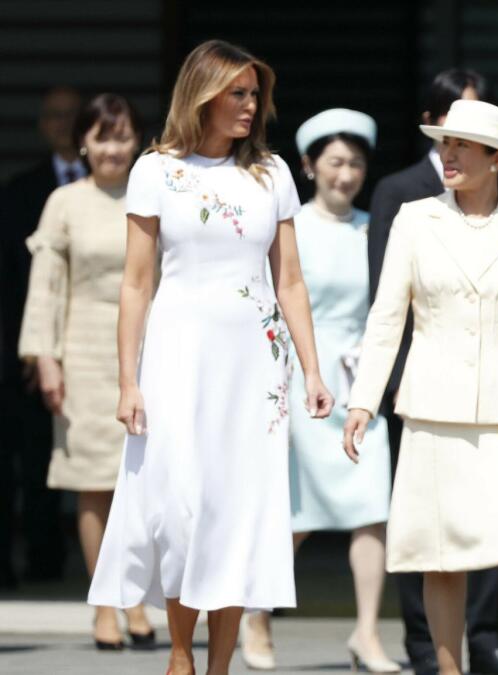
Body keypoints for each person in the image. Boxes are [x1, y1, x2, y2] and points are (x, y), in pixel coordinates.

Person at [87, 40, 334, 675]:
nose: (252, 106)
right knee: (178, 509)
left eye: (256, 95)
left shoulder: (272, 174)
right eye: (238, 94)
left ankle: (217, 665)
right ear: (203, 95)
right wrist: (126, 381)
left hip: (255, 365)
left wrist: (311, 369)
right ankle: (179, 655)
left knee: (237, 510)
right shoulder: (155, 171)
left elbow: (291, 283)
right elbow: (137, 284)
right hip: (175, 359)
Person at [345, 99, 498, 675]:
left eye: (462, 145)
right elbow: (388, 317)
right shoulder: (415, 219)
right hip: (433, 404)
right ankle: (447, 669)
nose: (449, 155)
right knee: (439, 552)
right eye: (445, 143)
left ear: (497, 158)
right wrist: (363, 400)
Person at [366, 68, 498, 675]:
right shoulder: (399, 193)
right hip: (424, 384)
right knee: (427, 530)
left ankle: (487, 639)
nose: (458, 142)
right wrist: (395, 380)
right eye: (451, 126)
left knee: (495, 523)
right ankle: (428, 648)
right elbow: (388, 301)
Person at [237, 109, 399, 672]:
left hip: (359, 380)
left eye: (355, 163)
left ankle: (367, 632)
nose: (346, 174)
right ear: (308, 167)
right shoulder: (291, 227)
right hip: (300, 376)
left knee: (371, 508)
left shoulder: (376, 228)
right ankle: (257, 614)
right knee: (297, 510)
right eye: (334, 162)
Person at [15, 93, 156, 651]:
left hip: (149, 350)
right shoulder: (64, 201)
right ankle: (105, 604)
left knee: (145, 484)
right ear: (84, 143)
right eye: (102, 137)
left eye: (123, 137)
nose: (113, 148)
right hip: (85, 354)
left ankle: (139, 599)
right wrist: (44, 358)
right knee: (96, 484)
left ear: (139, 142)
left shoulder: (153, 197)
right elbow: (45, 287)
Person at [0, 85, 82, 588]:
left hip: (94, 345)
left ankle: (58, 566)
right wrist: (31, 348)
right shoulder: (19, 190)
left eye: (74, 115)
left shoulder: (122, 190)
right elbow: (10, 281)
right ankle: (17, 564)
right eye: (55, 115)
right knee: (23, 463)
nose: (64, 124)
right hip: (25, 355)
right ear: (42, 125)